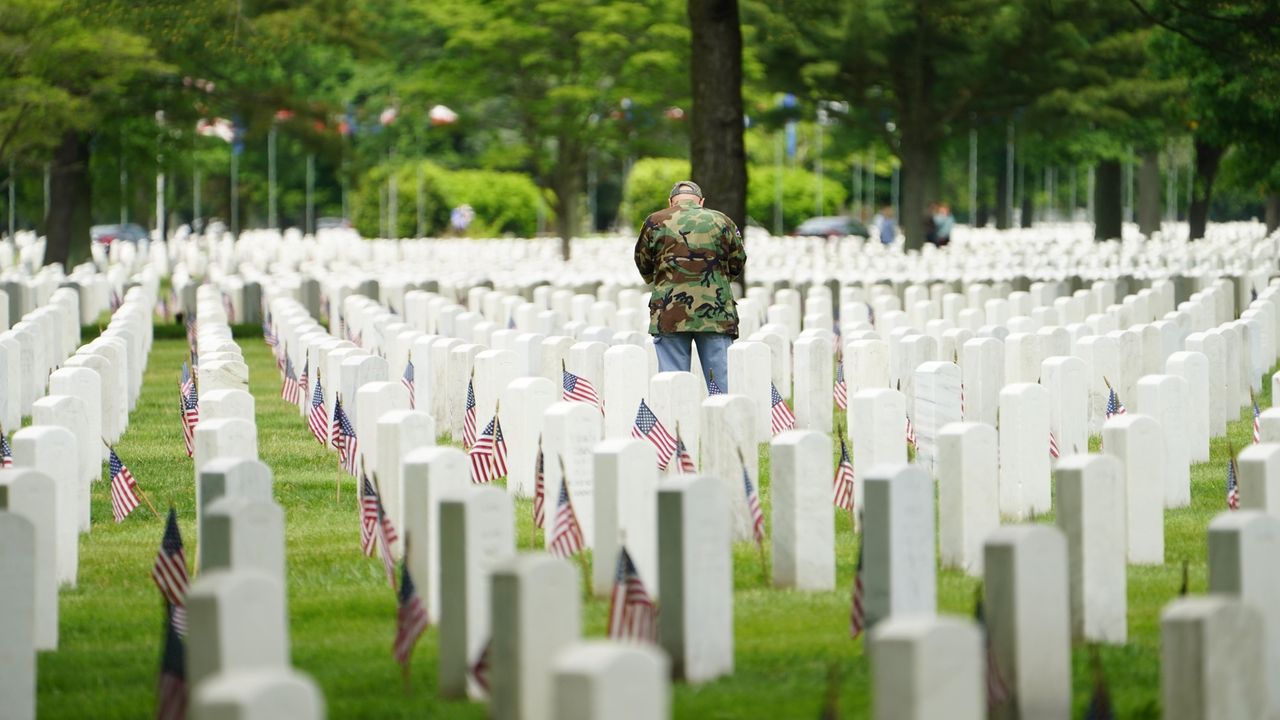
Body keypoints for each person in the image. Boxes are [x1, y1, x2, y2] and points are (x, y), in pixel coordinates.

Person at [634, 180, 745, 391]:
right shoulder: (722, 221)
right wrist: (717, 278)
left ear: (671, 202)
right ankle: (722, 413)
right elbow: (737, 261)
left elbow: (643, 262)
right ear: (701, 202)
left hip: (670, 312)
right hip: (715, 313)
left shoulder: (655, 221)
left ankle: (677, 414)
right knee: (722, 386)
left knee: (673, 386)